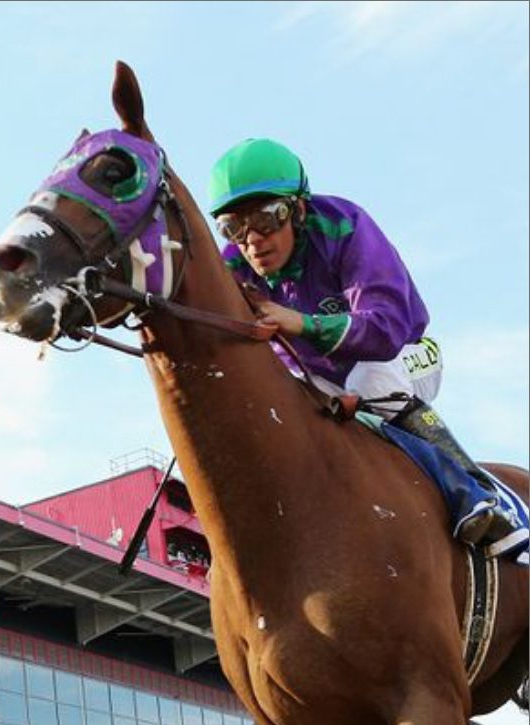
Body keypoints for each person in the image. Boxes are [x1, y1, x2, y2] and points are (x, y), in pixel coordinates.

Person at [206, 138, 518, 548]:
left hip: (405, 353)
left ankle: (476, 494)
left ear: (297, 209)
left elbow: (385, 329)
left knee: (371, 379)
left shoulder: (345, 224)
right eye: (234, 227)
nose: (252, 241)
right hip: (319, 379)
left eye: (266, 219)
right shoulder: (233, 265)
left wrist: (297, 322)